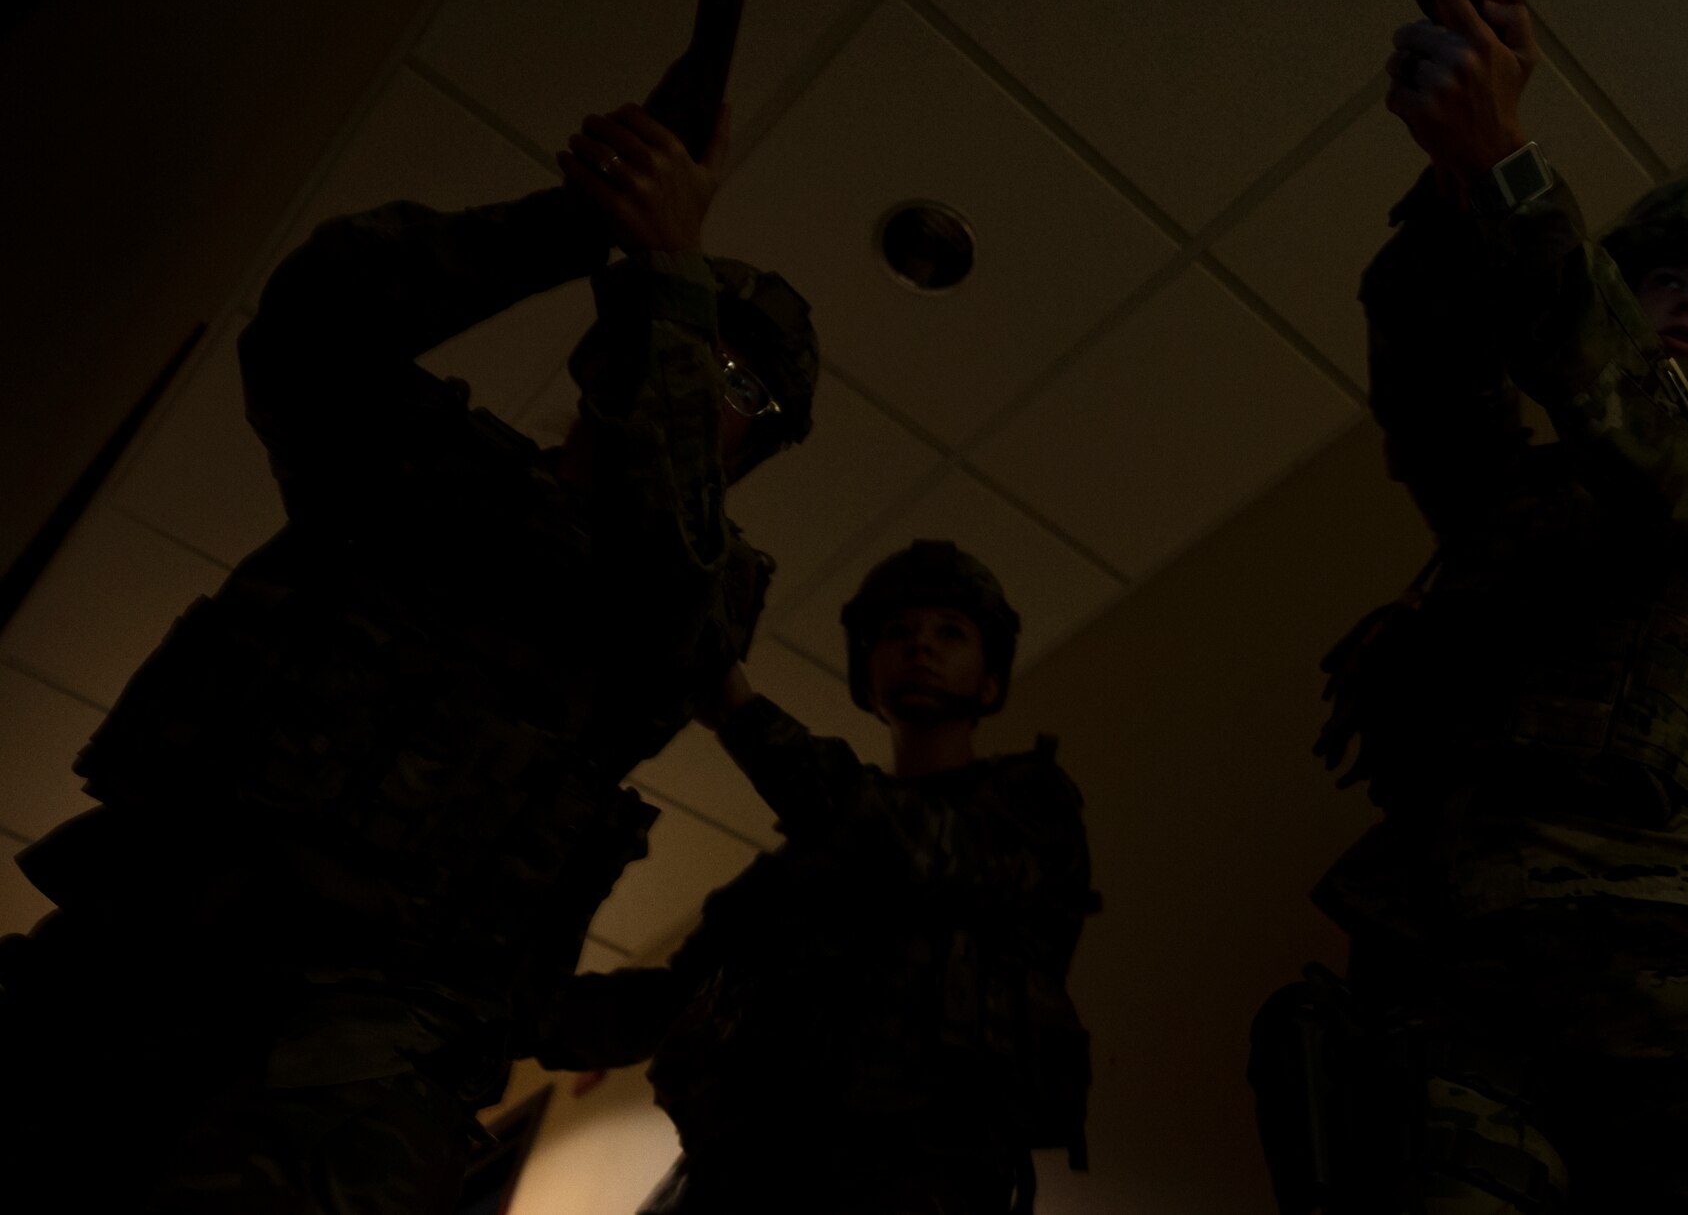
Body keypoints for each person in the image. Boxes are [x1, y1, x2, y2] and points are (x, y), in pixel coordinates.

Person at [0, 94, 817, 1214]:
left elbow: (664, 574)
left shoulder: (696, 594)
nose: (701, 378)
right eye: (686, 344)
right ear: (597, 352)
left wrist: (674, 268)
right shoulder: (420, 468)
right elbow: (309, 323)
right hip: (131, 951)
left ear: (750, 452)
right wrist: (581, 221)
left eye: (741, 387)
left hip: (357, 1063)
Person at [1249, 0, 1688, 1213]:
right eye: (1666, 284)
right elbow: (1432, 382)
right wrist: (1452, 180)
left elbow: (1636, 432)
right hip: (1447, 939)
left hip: (1673, 948)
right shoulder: (1513, 493)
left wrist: (1506, 167)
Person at [534, 540, 1097, 1214]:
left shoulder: (1026, 805)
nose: (921, 645)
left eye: (951, 631)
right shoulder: (806, 860)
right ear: (868, 674)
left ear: (989, 681)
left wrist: (742, 712)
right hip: (740, 1173)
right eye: (898, 631)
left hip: (914, 1176)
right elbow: (671, 999)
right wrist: (505, 1008)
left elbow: (914, 848)